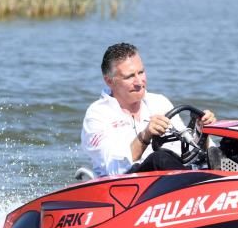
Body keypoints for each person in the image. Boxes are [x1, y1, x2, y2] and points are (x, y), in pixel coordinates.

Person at [82, 43, 216, 177]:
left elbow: (189, 152)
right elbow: (115, 169)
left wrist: (202, 132)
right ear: (109, 81)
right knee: (159, 158)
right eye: (129, 76)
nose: (139, 82)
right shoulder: (97, 115)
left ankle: (223, 176)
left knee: (229, 145)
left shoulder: (159, 101)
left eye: (141, 72)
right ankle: (204, 184)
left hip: (171, 177)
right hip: (125, 186)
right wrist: (145, 135)